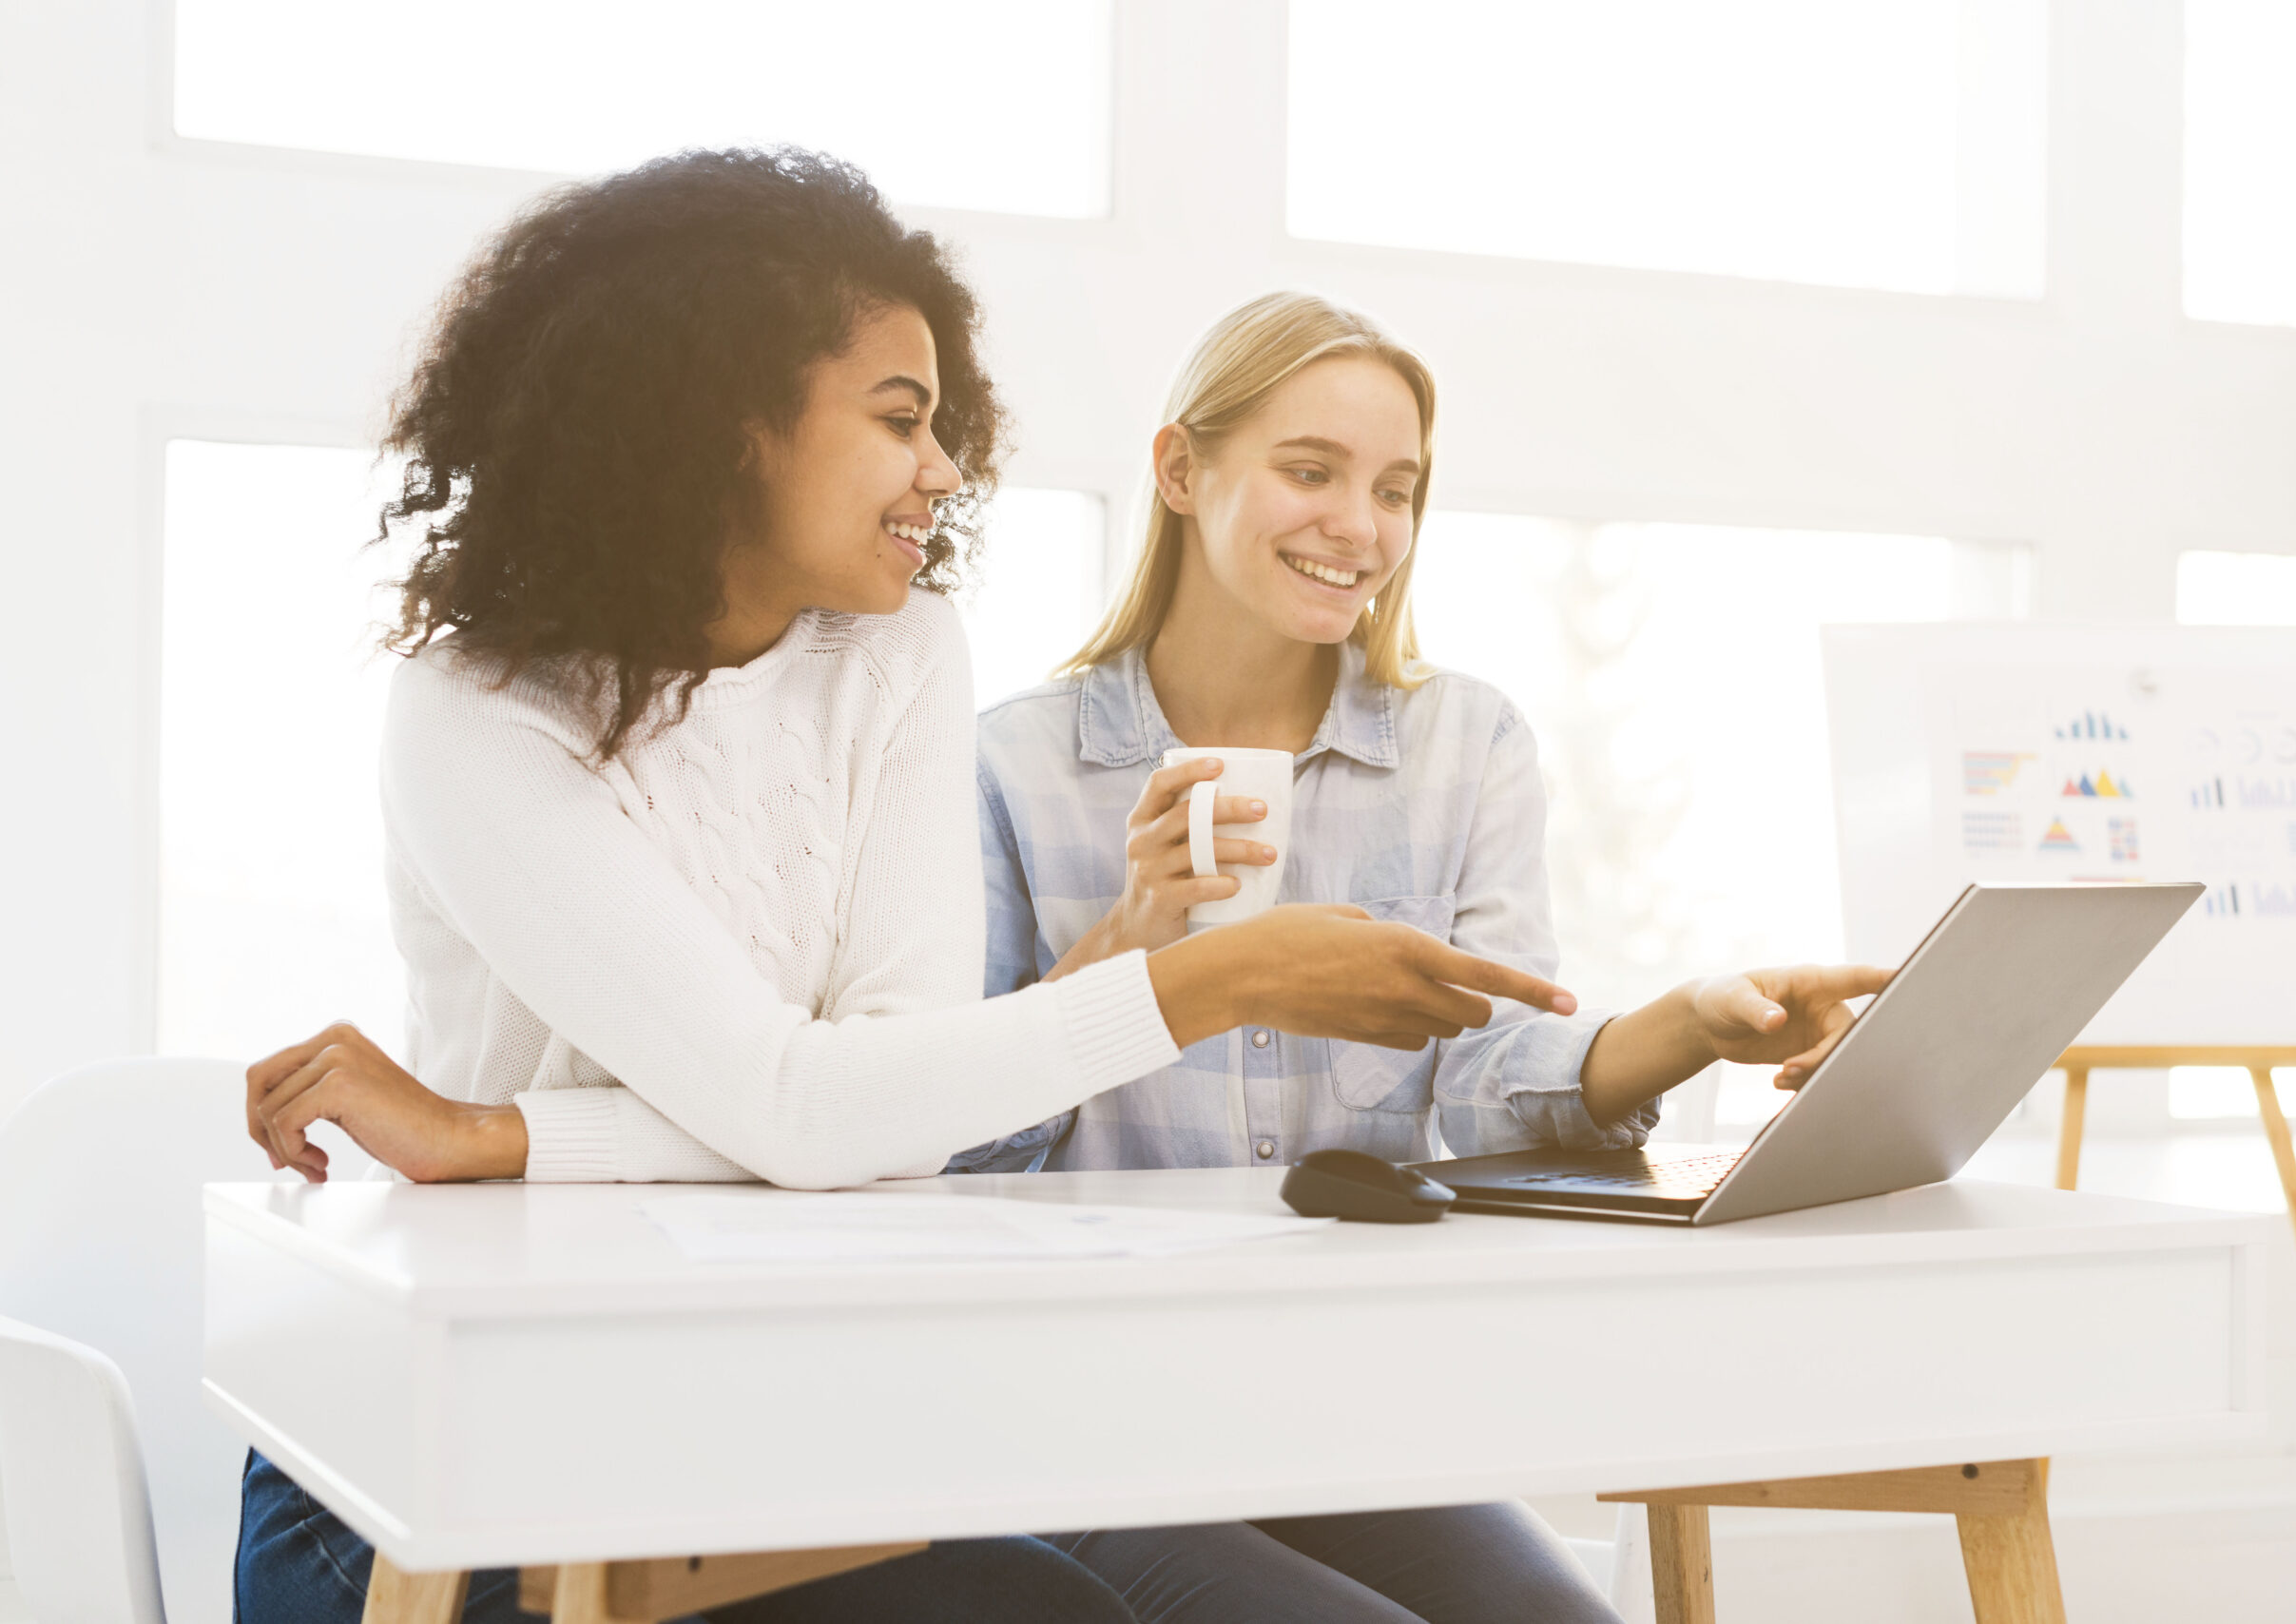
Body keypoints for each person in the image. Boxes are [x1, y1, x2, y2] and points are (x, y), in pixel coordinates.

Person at [233, 154, 1576, 1624]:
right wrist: (1216, 978)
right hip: (439, 1482)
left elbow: (890, 1126)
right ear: (723, 425)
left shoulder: (896, 654)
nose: (944, 470)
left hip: (753, 1427)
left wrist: (500, 1134)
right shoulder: (475, 712)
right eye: (898, 421)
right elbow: (813, 1107)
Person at [953, 291, 1891, 1622]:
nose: (1361, 526)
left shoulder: (1465, 749)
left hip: (1343, 1409)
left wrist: (1691, 1022)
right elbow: (947, 1152)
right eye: (1310, 471)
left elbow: (1488, 1071)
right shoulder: (1011, 765)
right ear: (1179, 470)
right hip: (1090, 1416)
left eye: (1396, 489)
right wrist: (1131, 948)